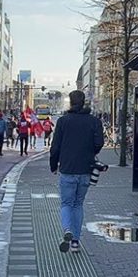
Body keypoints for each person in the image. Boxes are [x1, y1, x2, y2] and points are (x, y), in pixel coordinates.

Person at [49, 90, 104, 254]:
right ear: (84, 101)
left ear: (70, 103)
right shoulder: (94, 121)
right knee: (78, 204)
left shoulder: (63, 121)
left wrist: (54, 165)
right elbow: (99, 143)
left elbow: (55, 147)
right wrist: (90, 153)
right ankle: (75, 243)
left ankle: (67, 229)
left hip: (67, 169)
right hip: (85, 169)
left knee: (67, 204)